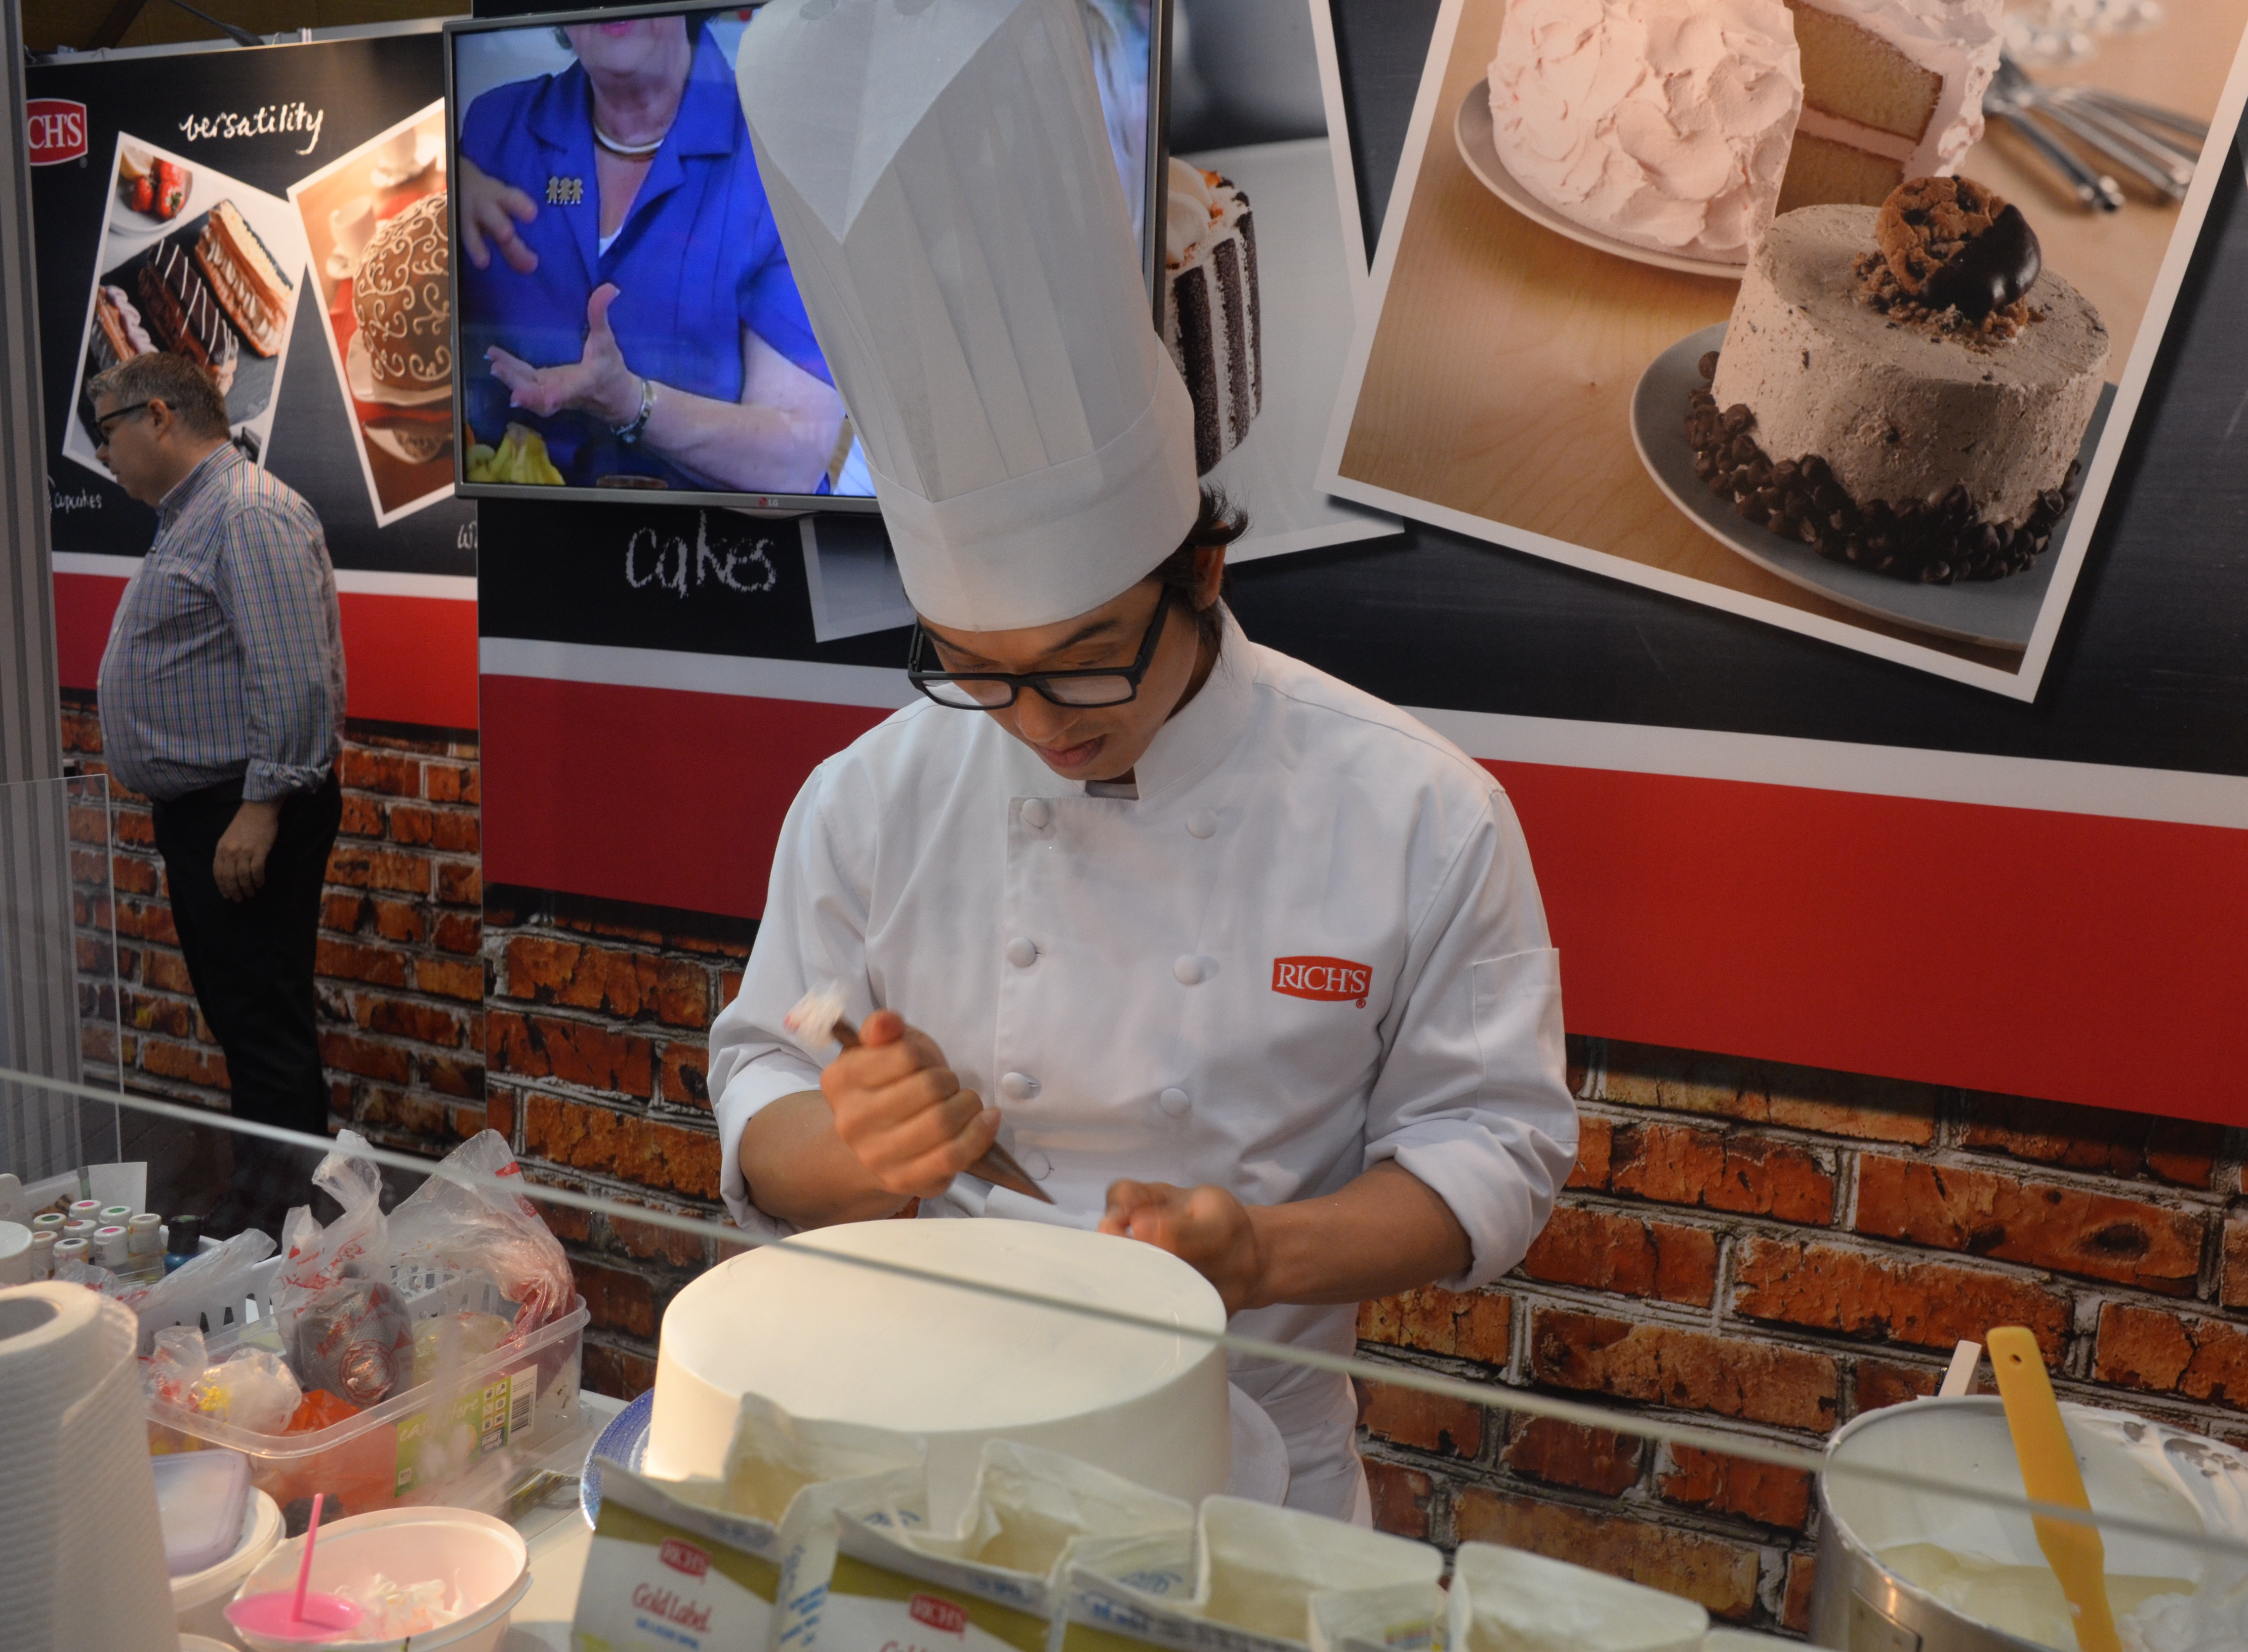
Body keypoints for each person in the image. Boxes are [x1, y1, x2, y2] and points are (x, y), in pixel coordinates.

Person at [715, 0, 1575, 1525]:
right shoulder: (868, 797)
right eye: (977, 670)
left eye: (1087, 656)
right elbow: (762, 1092)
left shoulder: (1418, 810)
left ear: (1204, 573)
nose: (1040, 720)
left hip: (1251, 1484)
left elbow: (1492, 1147)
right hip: (921, 1455)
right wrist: (848, 1149)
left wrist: (1262, 1252)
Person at [88, 352, 346, 1235]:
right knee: (244, 1020)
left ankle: (277, 1228)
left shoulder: (245, 511)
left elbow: (296, 676)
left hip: (243, 813)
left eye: (108, 431)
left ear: (158, 416)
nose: (102, 453)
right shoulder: (195, 514)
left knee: (262, 1024)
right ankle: (268, 1212)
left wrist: (261, 808)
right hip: (216, 812)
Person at [456, 11, 841, 492]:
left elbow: (793, 460)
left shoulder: (778, 152)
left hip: (718, 535)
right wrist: (436, 197)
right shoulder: (490, 132)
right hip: (518, 527)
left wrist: (631, 404)